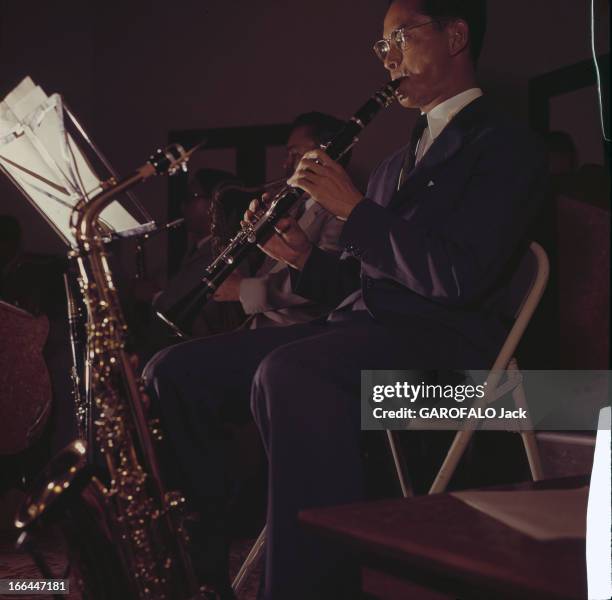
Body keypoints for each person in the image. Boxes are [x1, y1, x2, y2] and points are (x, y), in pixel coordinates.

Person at [144, 1, 547, 598]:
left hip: (451, 362)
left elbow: (457, 277)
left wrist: (354, 211)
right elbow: (364, 288)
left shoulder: (507, 142)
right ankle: (199, 573)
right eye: (380, 47)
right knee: (172, 371)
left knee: (292, 373)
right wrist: (302, 255)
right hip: (363, 334)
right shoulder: (391, 165)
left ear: (456, 36)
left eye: (400, 40)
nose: (387, 59)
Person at [208, 112, 348, 329]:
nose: (286, 163)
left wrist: (243, 289)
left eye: (294, 153)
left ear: (324, 153)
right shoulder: (295, 205)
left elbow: (327, 280)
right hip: (260, 327)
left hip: (301, 332)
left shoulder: (341, 213)